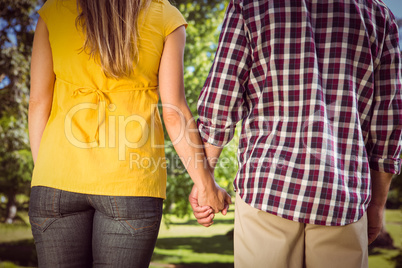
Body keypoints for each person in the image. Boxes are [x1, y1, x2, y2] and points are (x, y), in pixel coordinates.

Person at [189, 0, 402, 267]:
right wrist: (377, 205)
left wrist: (204, 180)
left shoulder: (252, 5)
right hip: (341, 197)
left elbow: (222, 98)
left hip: (267, 190)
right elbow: (387, 125)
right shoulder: (379, 15)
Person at [28, 0, 230, 267]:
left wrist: (46, 174)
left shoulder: (54, 10)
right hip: (131, 182)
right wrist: (205, 185)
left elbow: (38, 103)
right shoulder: (165, 17)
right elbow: (173, 112)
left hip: (55, 179)